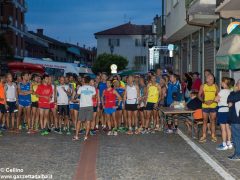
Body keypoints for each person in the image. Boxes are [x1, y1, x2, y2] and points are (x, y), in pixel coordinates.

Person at [73, 76, 96, 141]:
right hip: (90, 106)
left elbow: (76, 96)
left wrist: (77, 91)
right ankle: (86, 136)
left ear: (84, 81)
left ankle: (76, 136)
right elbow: (94, 97)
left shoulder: (81, 88)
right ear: (89, 81)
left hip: (82, 106)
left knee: (79, 121)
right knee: (88, 122)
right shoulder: (93, 88)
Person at [198, 74, 218, 143]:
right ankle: (204, 136)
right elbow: (199, 95)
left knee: (213, 121)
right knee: (205, 121)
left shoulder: (215, 86)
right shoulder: (203, 86)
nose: (212, 80)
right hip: (205, 106)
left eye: (212, 79)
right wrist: (204, 101)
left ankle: (213, 135)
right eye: (210, 79)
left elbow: (218, 96)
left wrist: (212, 101)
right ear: (207, 79)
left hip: (213, 105)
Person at [215, 77, 232, 151]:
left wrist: (218, 100)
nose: (221, 83)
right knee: (228, 128)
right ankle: (229, 143)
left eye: (222, 82)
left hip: (222, 111)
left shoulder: (222, 91)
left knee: (223, 129)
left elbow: (216, 99)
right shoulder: (230, 91)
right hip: (228, 110)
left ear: (224, 83)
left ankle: (224, 144)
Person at [227, 79, 240, 161]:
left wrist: (234, 91)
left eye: (237, 83)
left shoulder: (237, 93)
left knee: (236, 138)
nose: (236, 85)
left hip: (236, 119)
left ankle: (238, 155)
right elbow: (229, 101)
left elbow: (230, 98)